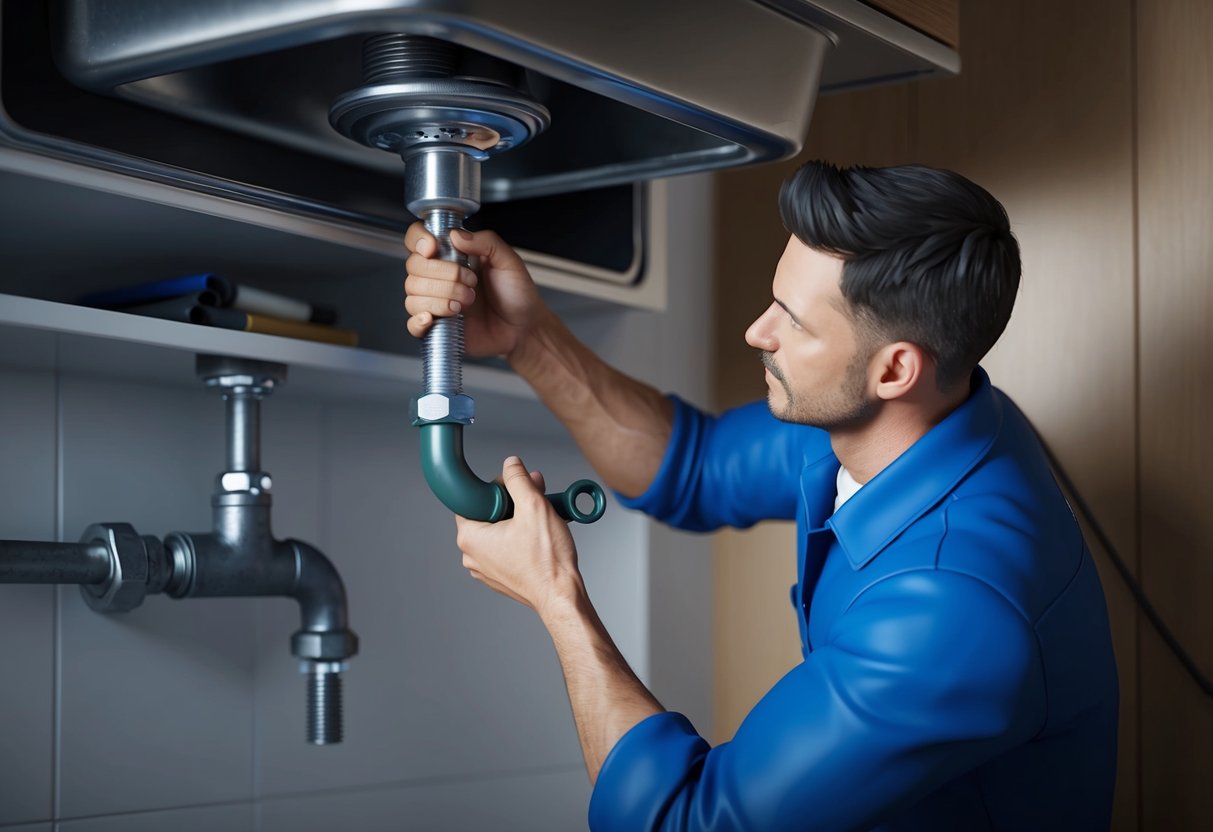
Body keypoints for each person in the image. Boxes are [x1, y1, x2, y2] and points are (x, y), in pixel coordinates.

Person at [403, 162, 1119, 831]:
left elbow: (687, 821)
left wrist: (555, 595)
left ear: (894, 369)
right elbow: (693, 468)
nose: (757, 332)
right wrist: (528, 338)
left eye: (792, 321)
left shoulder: (950, 611)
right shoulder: (914, 419)